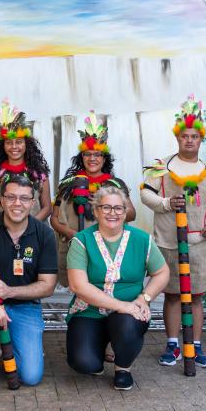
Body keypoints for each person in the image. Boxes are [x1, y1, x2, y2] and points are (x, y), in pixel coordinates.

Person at [141, 96, 206, 367]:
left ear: (201, 139)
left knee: (197, 296)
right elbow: (146, 195)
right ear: (177, 138)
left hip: (199, 243)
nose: (189, 141)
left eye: (194, 137)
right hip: (168, 242)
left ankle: (195, 345)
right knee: (173, 294)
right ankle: (173, 345)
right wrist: (166, 203)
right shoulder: (162, 167)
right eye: (185, 136)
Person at [65, 186, 170, 390]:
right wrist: (122, 305)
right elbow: (78, 285)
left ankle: (123, 367)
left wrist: (144, 299)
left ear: (125, 212)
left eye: (118, 208)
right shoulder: (81, 240)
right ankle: (98, 349)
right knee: (85, 363)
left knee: (128, 325)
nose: (112, 213)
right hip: (89, 310)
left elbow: (162, 272)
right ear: (96, 211)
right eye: (106, 207)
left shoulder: (142, 239)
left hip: (129, 312)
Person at [0, 174, 57, 387]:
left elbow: (48, 286)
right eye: (11, 197)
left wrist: (9, 292)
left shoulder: (44, 234)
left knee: (31, 377)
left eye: (24, 198)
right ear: (1, 200)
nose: (17, 203)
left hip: (25, 306)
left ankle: (17, 343)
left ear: (32, 202)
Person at [51, 111, 135, 288]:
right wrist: (72, 234)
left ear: (104, 158)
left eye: (97, 154)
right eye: (87, 154)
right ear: (82, 157)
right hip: (75, 245)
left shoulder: (115, 185)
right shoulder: (68, 184)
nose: (92, 159)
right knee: (78, 288)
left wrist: (105, 207)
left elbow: (132, 214)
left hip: (107, 247)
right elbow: (54, 219)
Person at [0, 98, 52, 220]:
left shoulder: (39, 175)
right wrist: (6, 227)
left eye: (18, 142)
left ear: (26, 144)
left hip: (34, 229)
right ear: (3, 145)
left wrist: (29, 226)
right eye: (9, 142)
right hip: (3, 229)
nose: (14, 147)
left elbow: (47, 208)